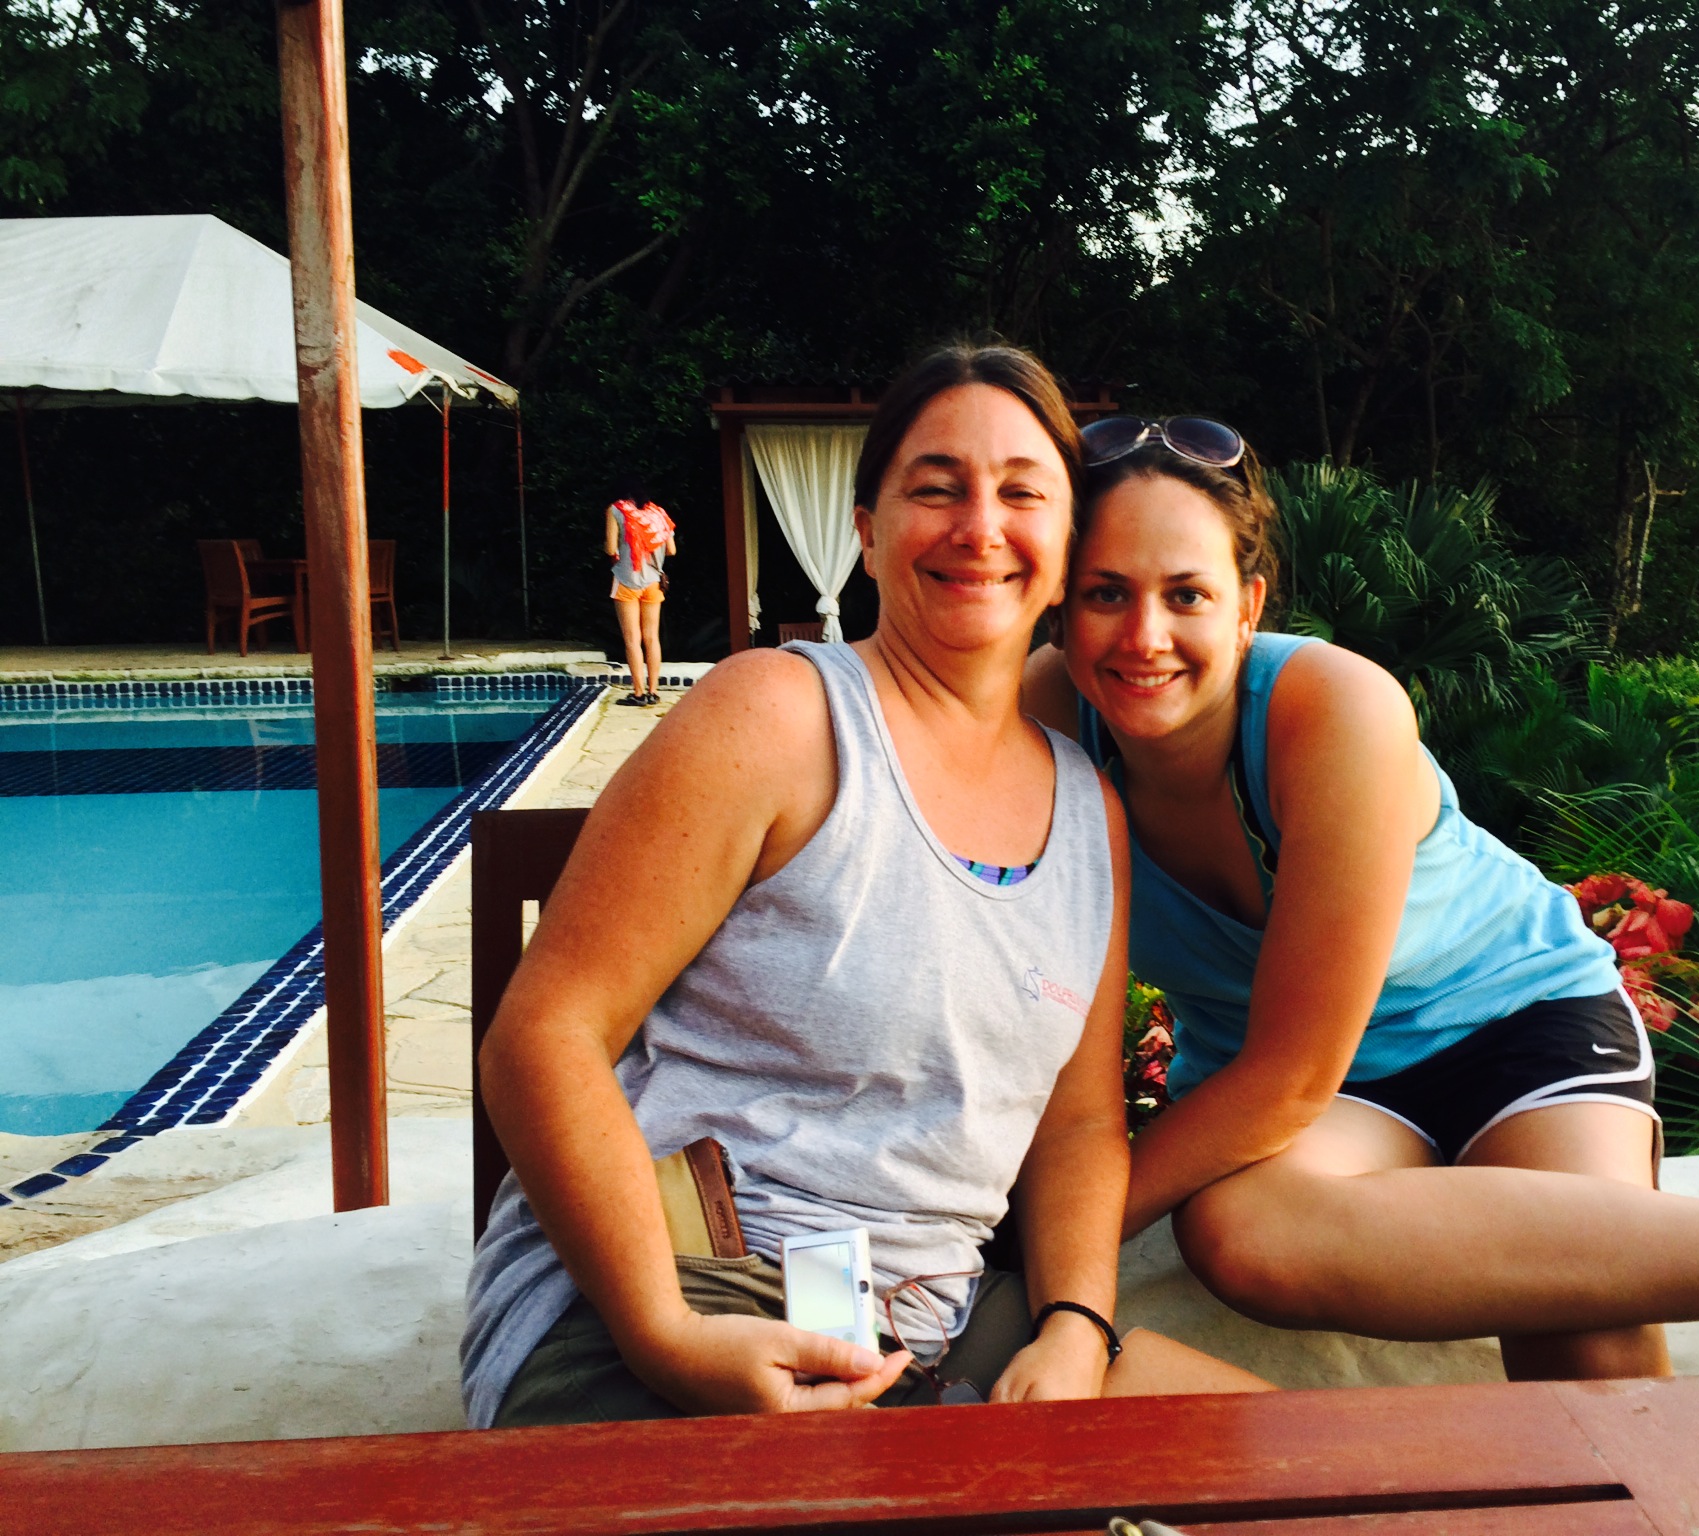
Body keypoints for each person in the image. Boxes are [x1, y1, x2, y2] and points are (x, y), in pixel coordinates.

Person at [1020, 414, 1699, 1475]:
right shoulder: (1043, 727)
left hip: (1519, 1024)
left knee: (1589, 1354)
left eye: (1185, 594)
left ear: (1248, 604)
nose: (1143, 636)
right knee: (1244, 1237)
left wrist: (1049, 1237)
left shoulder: (1329, 707)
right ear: (1059, 603)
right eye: (1106, 593)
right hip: (1333, 1105)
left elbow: (1289, 1075)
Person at [462, 351, 1264, 1428]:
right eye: (936, 487)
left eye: (1022, 492)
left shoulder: (1090, 815)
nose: (979, 527)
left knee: (1305, 1472)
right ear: (867, 532)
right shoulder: (779, 717)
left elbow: (1078, 1125)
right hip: (682, 1286)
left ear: (1069, 546)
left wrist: (1074, 1322)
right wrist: (666, 1332)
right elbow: (545, 1034)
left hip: (927, 1327)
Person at [604, 485, 676, 705]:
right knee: (652, 637)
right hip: (653, 582)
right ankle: (653, 692)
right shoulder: (659, 513)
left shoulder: (616, 510)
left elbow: (610, 549)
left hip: (627, 580)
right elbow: (671, 550)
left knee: (632, 640)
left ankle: (638, 693)